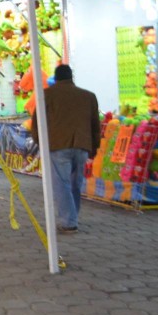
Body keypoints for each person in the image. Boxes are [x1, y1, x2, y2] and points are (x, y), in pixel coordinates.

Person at [33, 65, 100, 233]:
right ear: (72, 77)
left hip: (58, 145)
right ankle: (72, 216)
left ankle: (69, 221)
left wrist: (40, 142)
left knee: (62, 183)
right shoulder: (88, 96)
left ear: (55, 79)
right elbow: (95, 125)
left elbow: (37, 123)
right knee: (75, 184)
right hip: (82, 145)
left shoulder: (46, 95)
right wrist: (94, 147)